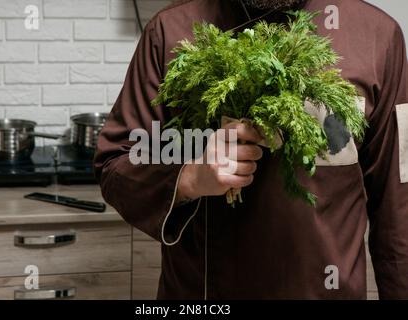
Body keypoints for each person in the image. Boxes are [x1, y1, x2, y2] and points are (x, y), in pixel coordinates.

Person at [94, 0, 408, 299]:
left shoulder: (379, 39)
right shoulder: (169, 31)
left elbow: (399, 205)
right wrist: (189, 178)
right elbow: (116, 163)